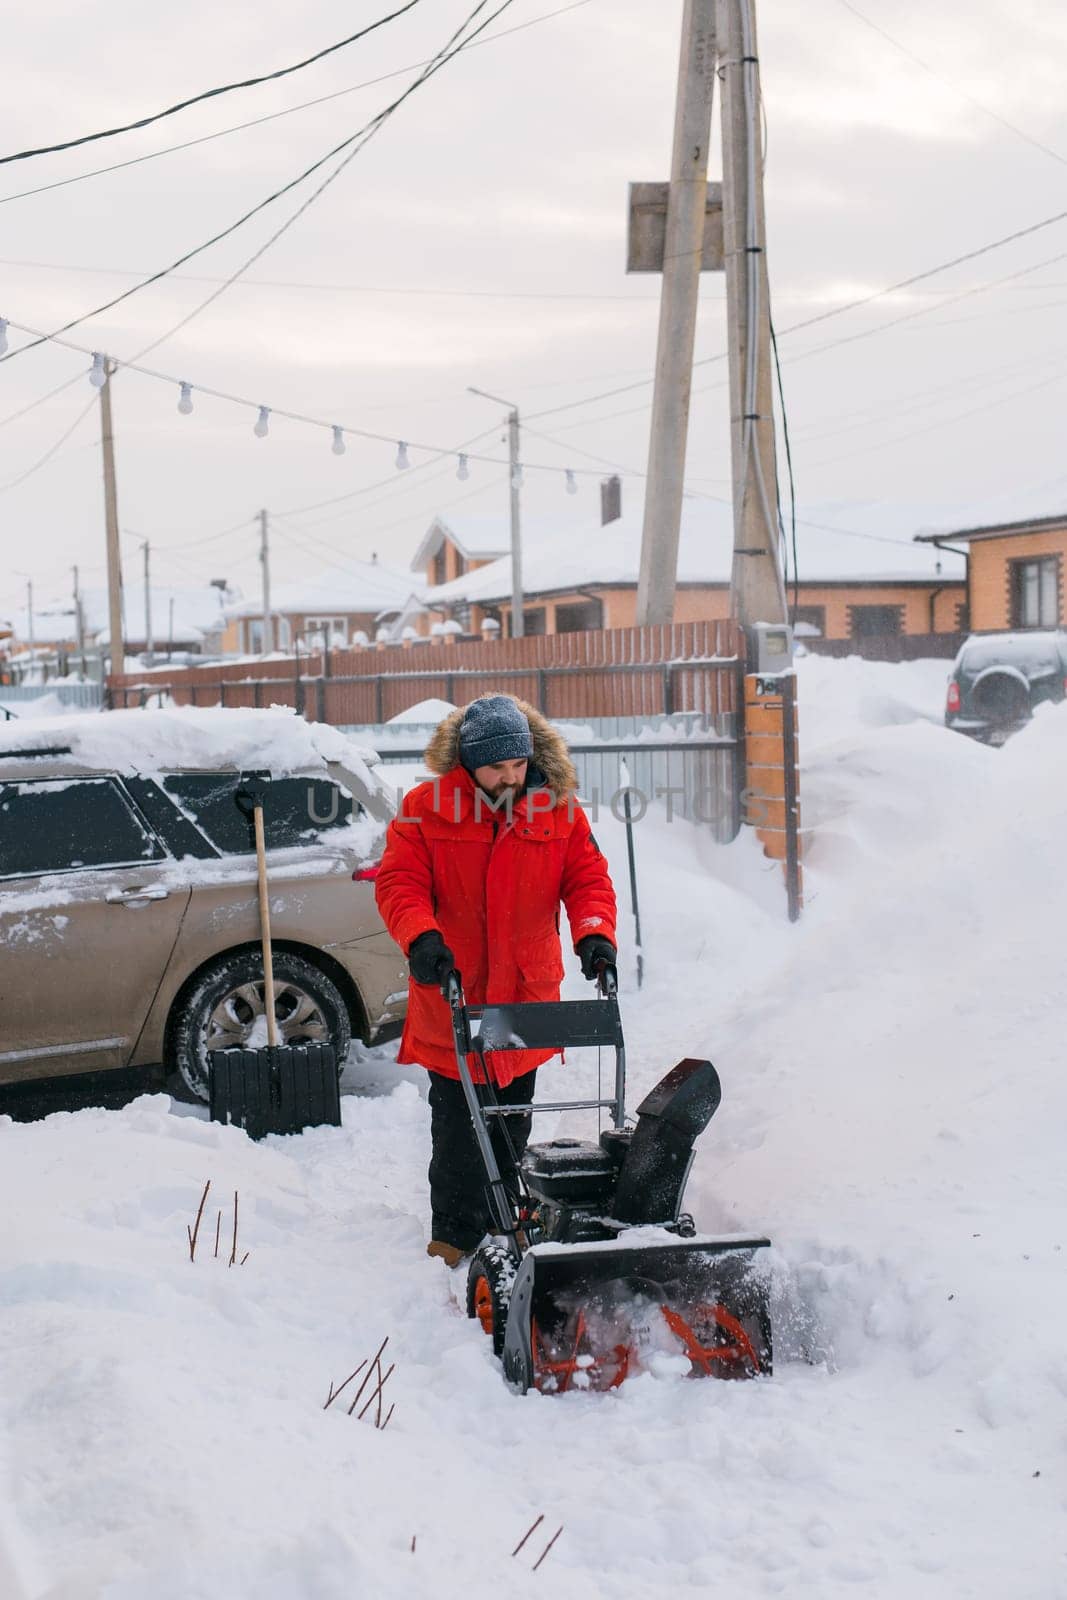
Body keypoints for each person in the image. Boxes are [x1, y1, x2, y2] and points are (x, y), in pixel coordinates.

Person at [375, 693, 618, 1267]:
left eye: (518, 765)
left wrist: (593, 934)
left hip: (524, 996)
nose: (510, 777)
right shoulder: (425, 808)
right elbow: (399, 883)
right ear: (467, 763)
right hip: (454, 990)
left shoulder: (557, 809)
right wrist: (421, 936)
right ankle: (455, 1236)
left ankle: (507, 1218)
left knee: (513, 1117)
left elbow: (588, 878)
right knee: (458, 1126)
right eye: (496, 768)